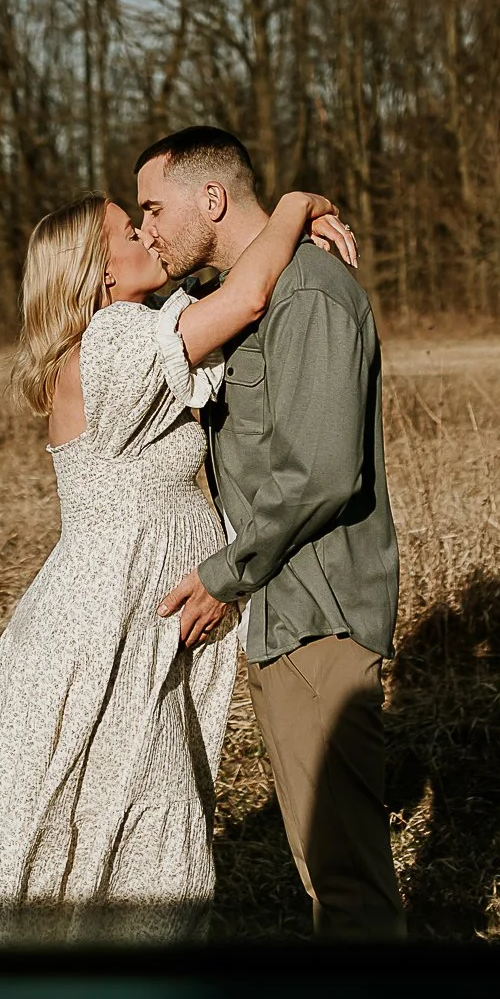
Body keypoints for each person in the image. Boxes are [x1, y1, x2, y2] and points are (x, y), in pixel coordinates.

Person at [0, 188, 356, 949]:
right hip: (106, 625)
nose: (149, 235)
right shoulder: (115, 338)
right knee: (115, 808)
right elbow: (246, 299)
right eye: (129, 231)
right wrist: (295, 205)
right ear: (100, 271)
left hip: (115, 614)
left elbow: (225, 292)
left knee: (94, 808)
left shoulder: (122, 334)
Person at [141, 127, 406, 939]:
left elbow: (321, 472)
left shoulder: (310, 293)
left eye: (154, 209)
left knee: (346, 880)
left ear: (211, 198)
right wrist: (299, 207)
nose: (148, 230)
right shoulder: (236, 297)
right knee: (321, 869)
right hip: (278, 612)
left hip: (318, 612)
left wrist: (225, 574)